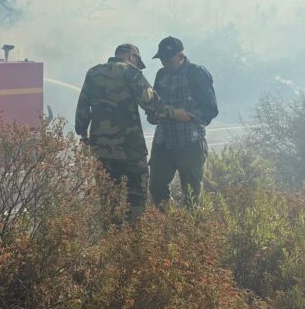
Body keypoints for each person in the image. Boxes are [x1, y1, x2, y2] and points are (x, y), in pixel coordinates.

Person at [75, 43, 183, 222]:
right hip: (130, 150)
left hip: (102, 150)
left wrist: (83, 134)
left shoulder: (93, 73)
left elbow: (83, 107)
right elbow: (151, 103)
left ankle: (112, 236)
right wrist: (174, 113)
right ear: (132, 56)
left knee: (109, 201)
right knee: (136, 201)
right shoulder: (131, 72)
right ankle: (134, 236)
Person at [147, 36, 218, 209]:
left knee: (192, 196)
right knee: (156, 187)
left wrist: (188, 116)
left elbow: (210, 109)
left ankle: (190, 224)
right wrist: (153, 115)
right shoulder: (161, 75)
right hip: (163, 143)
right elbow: (154, 105)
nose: (165, 63)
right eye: (162, 60)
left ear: (180, 56)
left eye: (168, 60)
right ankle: (167, 222)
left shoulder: (196, 73)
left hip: (191, 144)